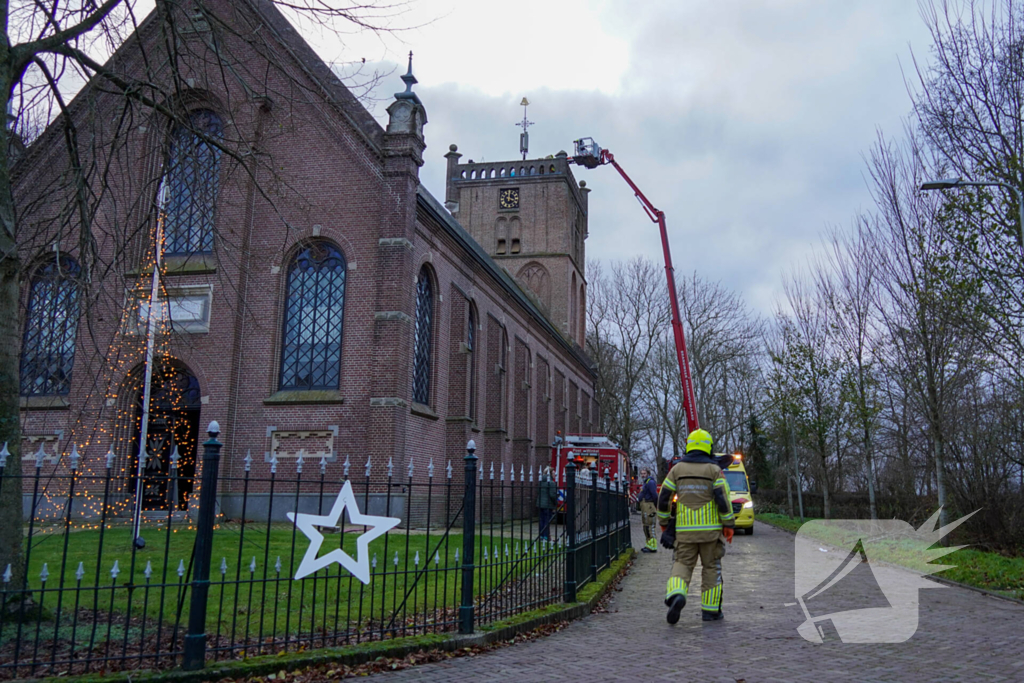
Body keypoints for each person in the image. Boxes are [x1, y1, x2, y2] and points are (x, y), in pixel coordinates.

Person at [657, 428, 735, 625]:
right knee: (711, 568)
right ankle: (710, 612)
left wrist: (664, 523)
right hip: (710, 534)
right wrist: (729, 525)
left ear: (689, 446)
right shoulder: (714, 470)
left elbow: (664, 497)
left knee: (682, 565)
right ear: (708, 447)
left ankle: (677, 595)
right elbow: (723, 499)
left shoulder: (677, 470)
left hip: (684, 534)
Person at [637, 468, 659, 553]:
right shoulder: (646, 482)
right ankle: (648, 544)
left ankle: (653, 546)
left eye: (644, 473)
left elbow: (655, 495)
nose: (643, 475)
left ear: (648, 473)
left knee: (650, 525)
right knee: (646, 525)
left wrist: (654, 506)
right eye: (641, 473)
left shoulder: (650, 482)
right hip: (645, 505)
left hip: (649, 505)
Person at [537, 466, 557, 540]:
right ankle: (546, 536)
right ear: (550, 473)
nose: (555, 475)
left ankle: (541, 536)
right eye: (554, 473)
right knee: (547, 521)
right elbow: (552, 495)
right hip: (548, 505)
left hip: (540, 504)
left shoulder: (541, 481)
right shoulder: (551, 483)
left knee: (542, 520)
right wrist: (556, 502)